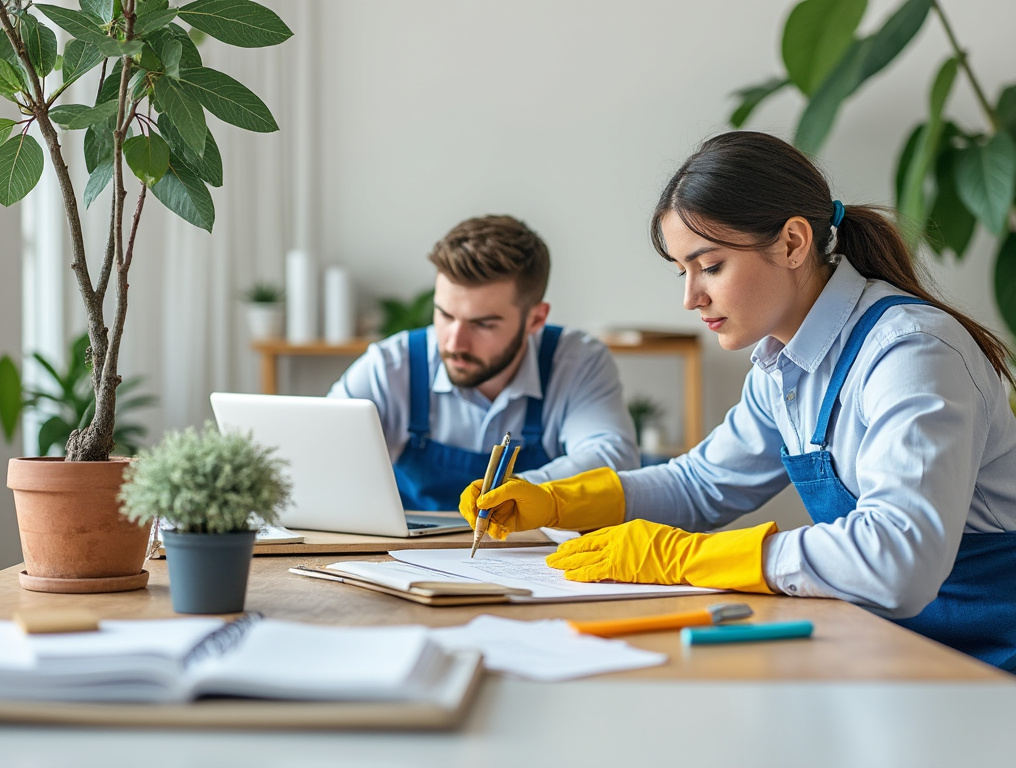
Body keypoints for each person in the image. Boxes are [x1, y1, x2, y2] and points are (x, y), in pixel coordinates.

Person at [460, 132, 1016, 671]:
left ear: (793, 243)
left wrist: (688, 559)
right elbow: (700, 484)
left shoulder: (912, 352)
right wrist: (557, 501)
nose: (690, 297)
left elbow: (899, 560)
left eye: (711, 266)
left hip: (990, 661)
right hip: (895, 647)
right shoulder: (782, 364)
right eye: (682, 272)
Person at [329, 214, 639, 511]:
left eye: (483, 324)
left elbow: (612, 460)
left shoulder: (578, 363)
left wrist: (515, 491)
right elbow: (321, 452)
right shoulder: (390, 367)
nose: (453, 343)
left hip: (527, 557)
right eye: (445, 315)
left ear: (535, 319)